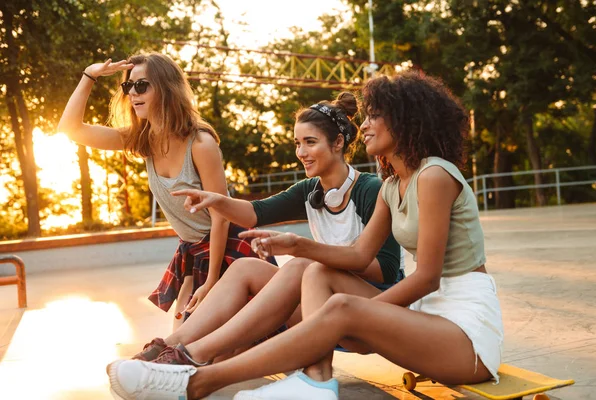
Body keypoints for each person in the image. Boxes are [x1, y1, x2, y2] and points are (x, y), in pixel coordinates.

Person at [106, 71, 504, 400]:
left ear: (405, 119)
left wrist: (360, 313)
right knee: (310, 271)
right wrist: (297, 246)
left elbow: (426, 277)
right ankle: (306, 378)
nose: (363, 125)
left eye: (373, 116)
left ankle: (194, 384)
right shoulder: (392, 184)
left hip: (465, 336)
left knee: (339, 303)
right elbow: (356, 253)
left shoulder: (433, 175)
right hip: (424, 322)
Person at [126, 92, 404, 368]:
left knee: (302, 267)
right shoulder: (310, 190)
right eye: (297, 144)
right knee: (246, 267)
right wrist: (216, 200)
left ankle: (194, 354)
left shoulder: (370, 190)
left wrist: (313, 256)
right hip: (325, 306)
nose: (301, 153)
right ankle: (173, 346)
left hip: (375, 310)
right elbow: (254, 214)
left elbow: (386, 270)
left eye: (310, 142)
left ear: (338, 142)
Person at [57, 53, 273, 329]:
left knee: (222, 343)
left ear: (167, 87)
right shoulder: (142, 140)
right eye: (128, 86)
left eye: (142, 85)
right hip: (194, 252)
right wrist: (89, 76)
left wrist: (211, 283)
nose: (133, 93)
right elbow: (70, 129)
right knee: (183, 338)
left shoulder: (200, 143)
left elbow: (221, 217)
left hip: (230, 249)